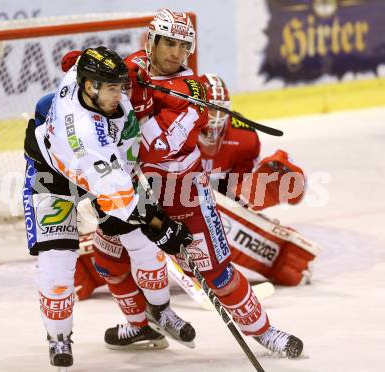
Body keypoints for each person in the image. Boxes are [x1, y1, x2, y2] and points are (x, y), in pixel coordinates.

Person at [124, 9, 303, 358]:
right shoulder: (131, 68)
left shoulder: (195, 91)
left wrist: (143, 107)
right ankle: (140, 321)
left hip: (185, 195)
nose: (176, 53)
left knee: (218, 275)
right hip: (135, 191)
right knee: (113, 255)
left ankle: (265, 332)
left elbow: (157, 146)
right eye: (170, 43)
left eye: (183, 45)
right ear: (153, 41)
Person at [23, 46, 193, 368]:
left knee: (144, 247)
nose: (120, 93)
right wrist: (163, 227)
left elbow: (79, 62)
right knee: (57, 260)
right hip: (55, 175)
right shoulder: (86, 137)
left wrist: (138, 69)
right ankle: (58, 336)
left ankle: (161, 310)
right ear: (91, 87)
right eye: (114, 88)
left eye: (122, 86)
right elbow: (124, 202)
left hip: (111, 171)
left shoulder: (81, 76)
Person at [198, 73, 318, 286]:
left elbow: (237, 192)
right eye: (209, 108)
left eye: (220, 109)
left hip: (215, 195)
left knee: (236, 207)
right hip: (175, 190)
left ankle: (279, 254)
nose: (215, 116)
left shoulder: (244, 137)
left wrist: (242, 201)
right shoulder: (176, 125)